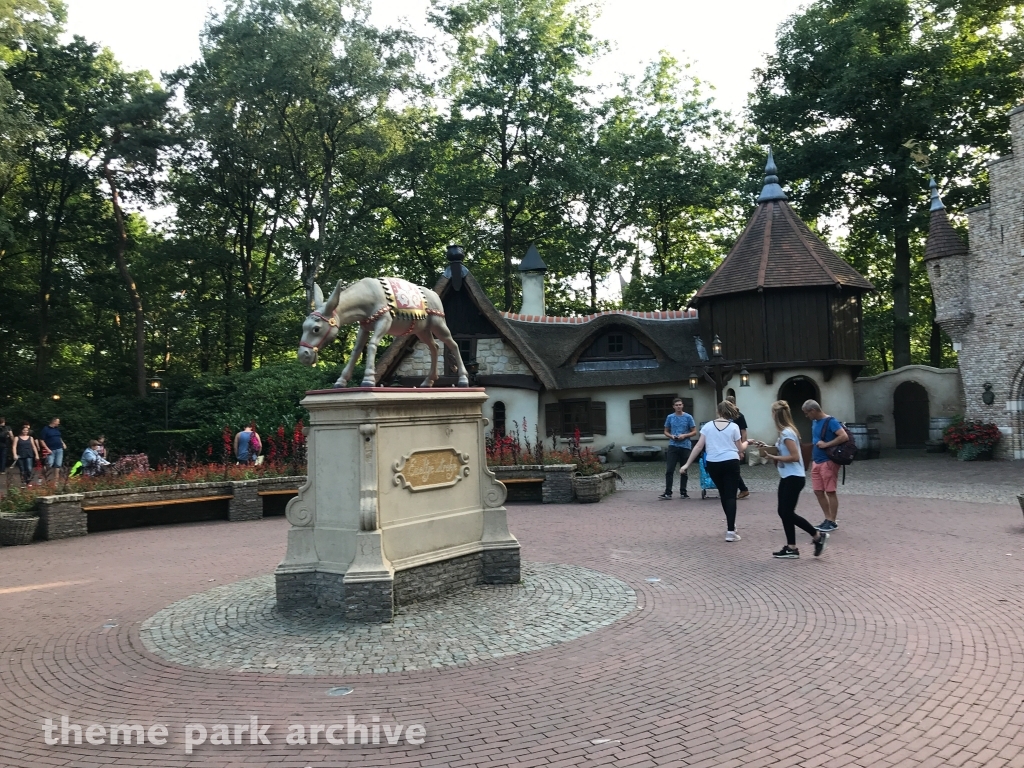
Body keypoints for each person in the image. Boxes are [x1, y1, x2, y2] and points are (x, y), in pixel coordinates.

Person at [760, 401, 829, 559]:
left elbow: (795, 456)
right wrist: (767, 447)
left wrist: (773, 456)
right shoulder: (786, 432)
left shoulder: (786, 433)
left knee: (787, 512)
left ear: (776, 415)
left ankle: (817, 536)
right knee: (783, 512)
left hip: (794, 477)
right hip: (787, 476)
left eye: (772, 413)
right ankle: (791, 547)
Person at [679, 400, 748, 541]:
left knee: (723, 494)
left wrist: (687, 464)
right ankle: (731, 531)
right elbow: (740, 448)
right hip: (731, 462)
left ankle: (731, 526)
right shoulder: (734, 427)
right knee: (730, 495)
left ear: (718, 411)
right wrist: (748, 442)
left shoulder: (708, 427)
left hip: (713, 463)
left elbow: (698, 446)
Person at [802, 399, 849, 533]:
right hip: (817, 461)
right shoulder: (815, 422)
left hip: (828, 461)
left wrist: (827, 444)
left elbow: (843, 436)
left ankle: (832, 521)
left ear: (814, 410)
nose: (807, 416)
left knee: (830, 491)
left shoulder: (831, 421)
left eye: (807, 413)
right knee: (818, 491)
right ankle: (827, 518)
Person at [659, 398, 697, 500]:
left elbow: (694, 431)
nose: (678, 407)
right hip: (673, 445)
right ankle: (668, 492)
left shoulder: (688, 417)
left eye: (680, 405)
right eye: (676, 405)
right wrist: (671, 436)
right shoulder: (670, 417)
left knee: (684, 469)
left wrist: (685, 435)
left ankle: (683, 492)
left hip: (685, 446)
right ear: (673, 406)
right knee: (669, 469)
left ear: (683, 405)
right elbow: (666, 431)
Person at [726, 395, 751, 499]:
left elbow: (743, 432)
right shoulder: (725, 417)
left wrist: (742, 448)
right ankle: (742, 489)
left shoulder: (739, 416)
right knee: (730, 469)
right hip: (728, 445)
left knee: (733, 469)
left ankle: (743, 489)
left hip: (736, 444)